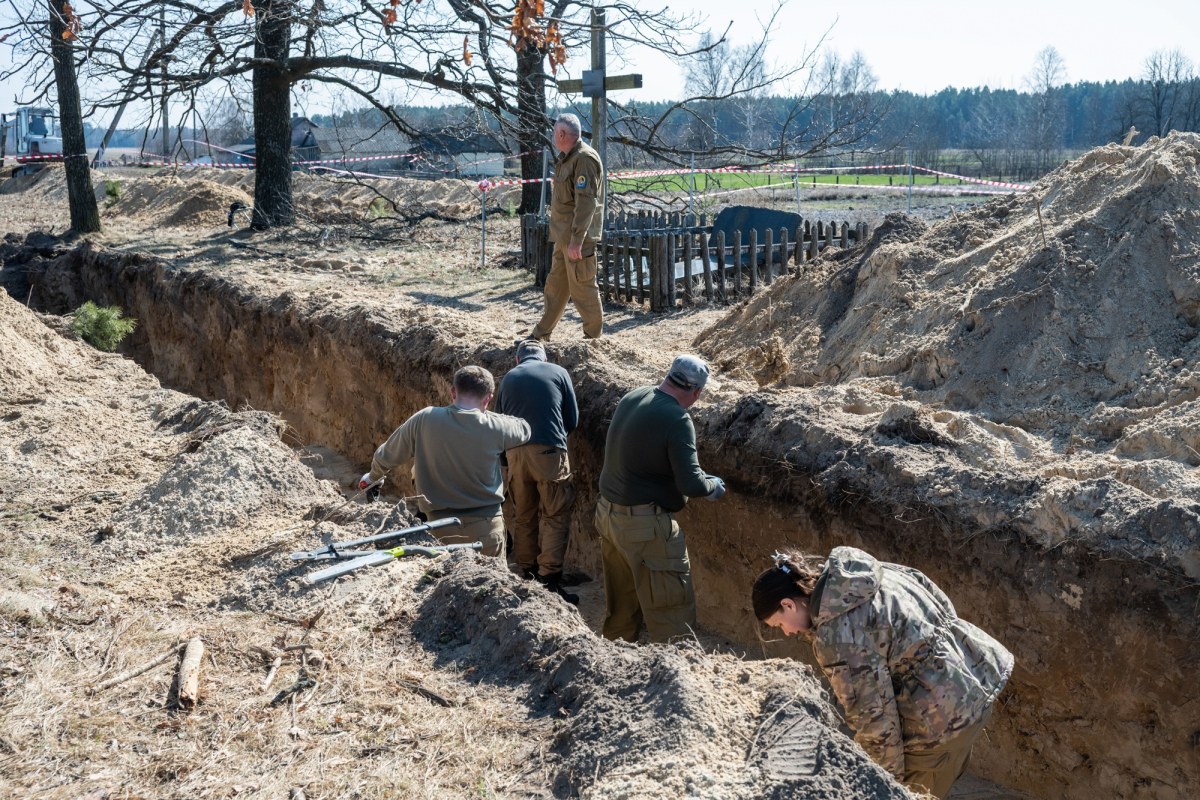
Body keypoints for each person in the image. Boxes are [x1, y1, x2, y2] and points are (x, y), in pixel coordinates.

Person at [752, 546, 1014, 799]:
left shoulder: (838, 637)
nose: (787, 632)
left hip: (940, 725)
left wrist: (882, 784)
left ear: (788, 604)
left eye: (779, 624)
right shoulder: (859, 574)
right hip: (975, 678)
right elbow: (939, 601)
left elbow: (876, 722)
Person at [595, 354, 725, 643]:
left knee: (622, 606)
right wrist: (713, 486)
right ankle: (676, 672)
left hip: (607, 516)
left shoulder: (633, 396)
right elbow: (691, 482)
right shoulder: (678, 418)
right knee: (671, 612)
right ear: (696, 391)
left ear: (668, 376)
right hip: (644, 529)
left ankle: (614, 663)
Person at [359, 366, 530, 558]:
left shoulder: (425, 418)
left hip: (440, 531)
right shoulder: (498, 426)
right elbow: (525, 428)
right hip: (487, 530)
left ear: (452, 392)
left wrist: (373, 477)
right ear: (489, 398)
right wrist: (482, 415)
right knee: (491, 584)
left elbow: (387, 455)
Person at [494, 339, 580, 603]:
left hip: (515, 453)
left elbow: (499, 424)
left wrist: (506, 462)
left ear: (518, 360)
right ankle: (549, 580)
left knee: (524, 515)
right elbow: (572, 419)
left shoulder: (508, 378)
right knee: (555, 514)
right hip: (549, 452)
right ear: (544, 358)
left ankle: (527, 573)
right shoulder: (559, 372)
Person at [530, 113, 605, 341]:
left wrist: (577, 240)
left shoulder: (584, 159)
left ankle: (593, 340)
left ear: (562, 134)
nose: (553, 137)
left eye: (555, 132)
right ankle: (540, 336)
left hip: (577, 240)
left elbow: (586, 202)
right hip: (564, 238)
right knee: (555, 288)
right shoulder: (567, 158)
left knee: (583, 290)